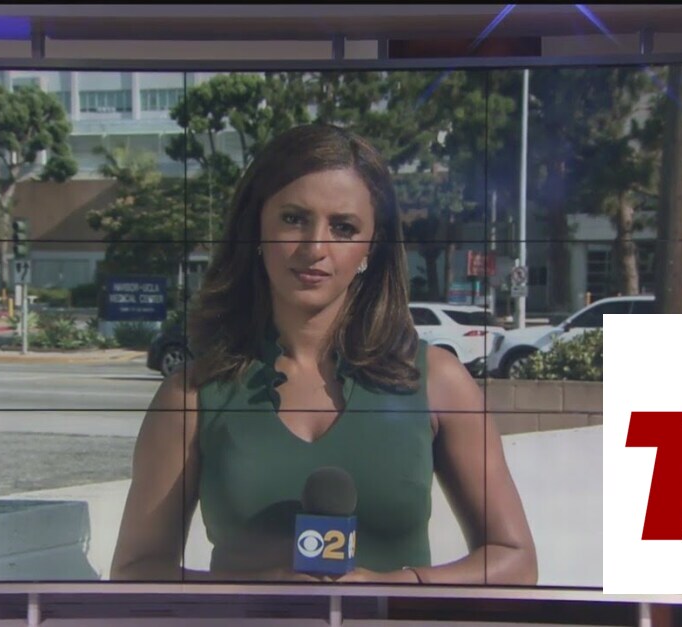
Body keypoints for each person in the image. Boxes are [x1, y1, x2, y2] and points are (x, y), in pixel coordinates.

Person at [111, 123, 537, 585]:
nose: (315, 247)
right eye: (294, 219)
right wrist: (263, 590)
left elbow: (515, 561)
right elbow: (135, 572)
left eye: (343, 227)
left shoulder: (438, 381)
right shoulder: (192, 396)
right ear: (256, 229)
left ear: (372, 245)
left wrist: (391, 587)